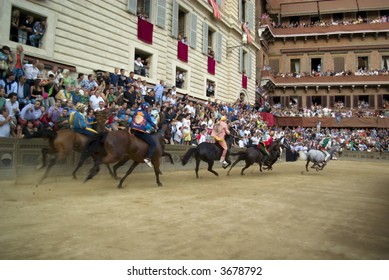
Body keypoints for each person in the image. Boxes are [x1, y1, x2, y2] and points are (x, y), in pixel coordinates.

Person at [130, 102, 157, 167]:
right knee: (153, 144)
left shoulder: (136, 111)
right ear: (145, 108)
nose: (148, 109)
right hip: (139, 132)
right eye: (148, 108)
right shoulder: (146, 114)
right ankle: (148, 158)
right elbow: (151, 123)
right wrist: (156, 127)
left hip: (132, 130)